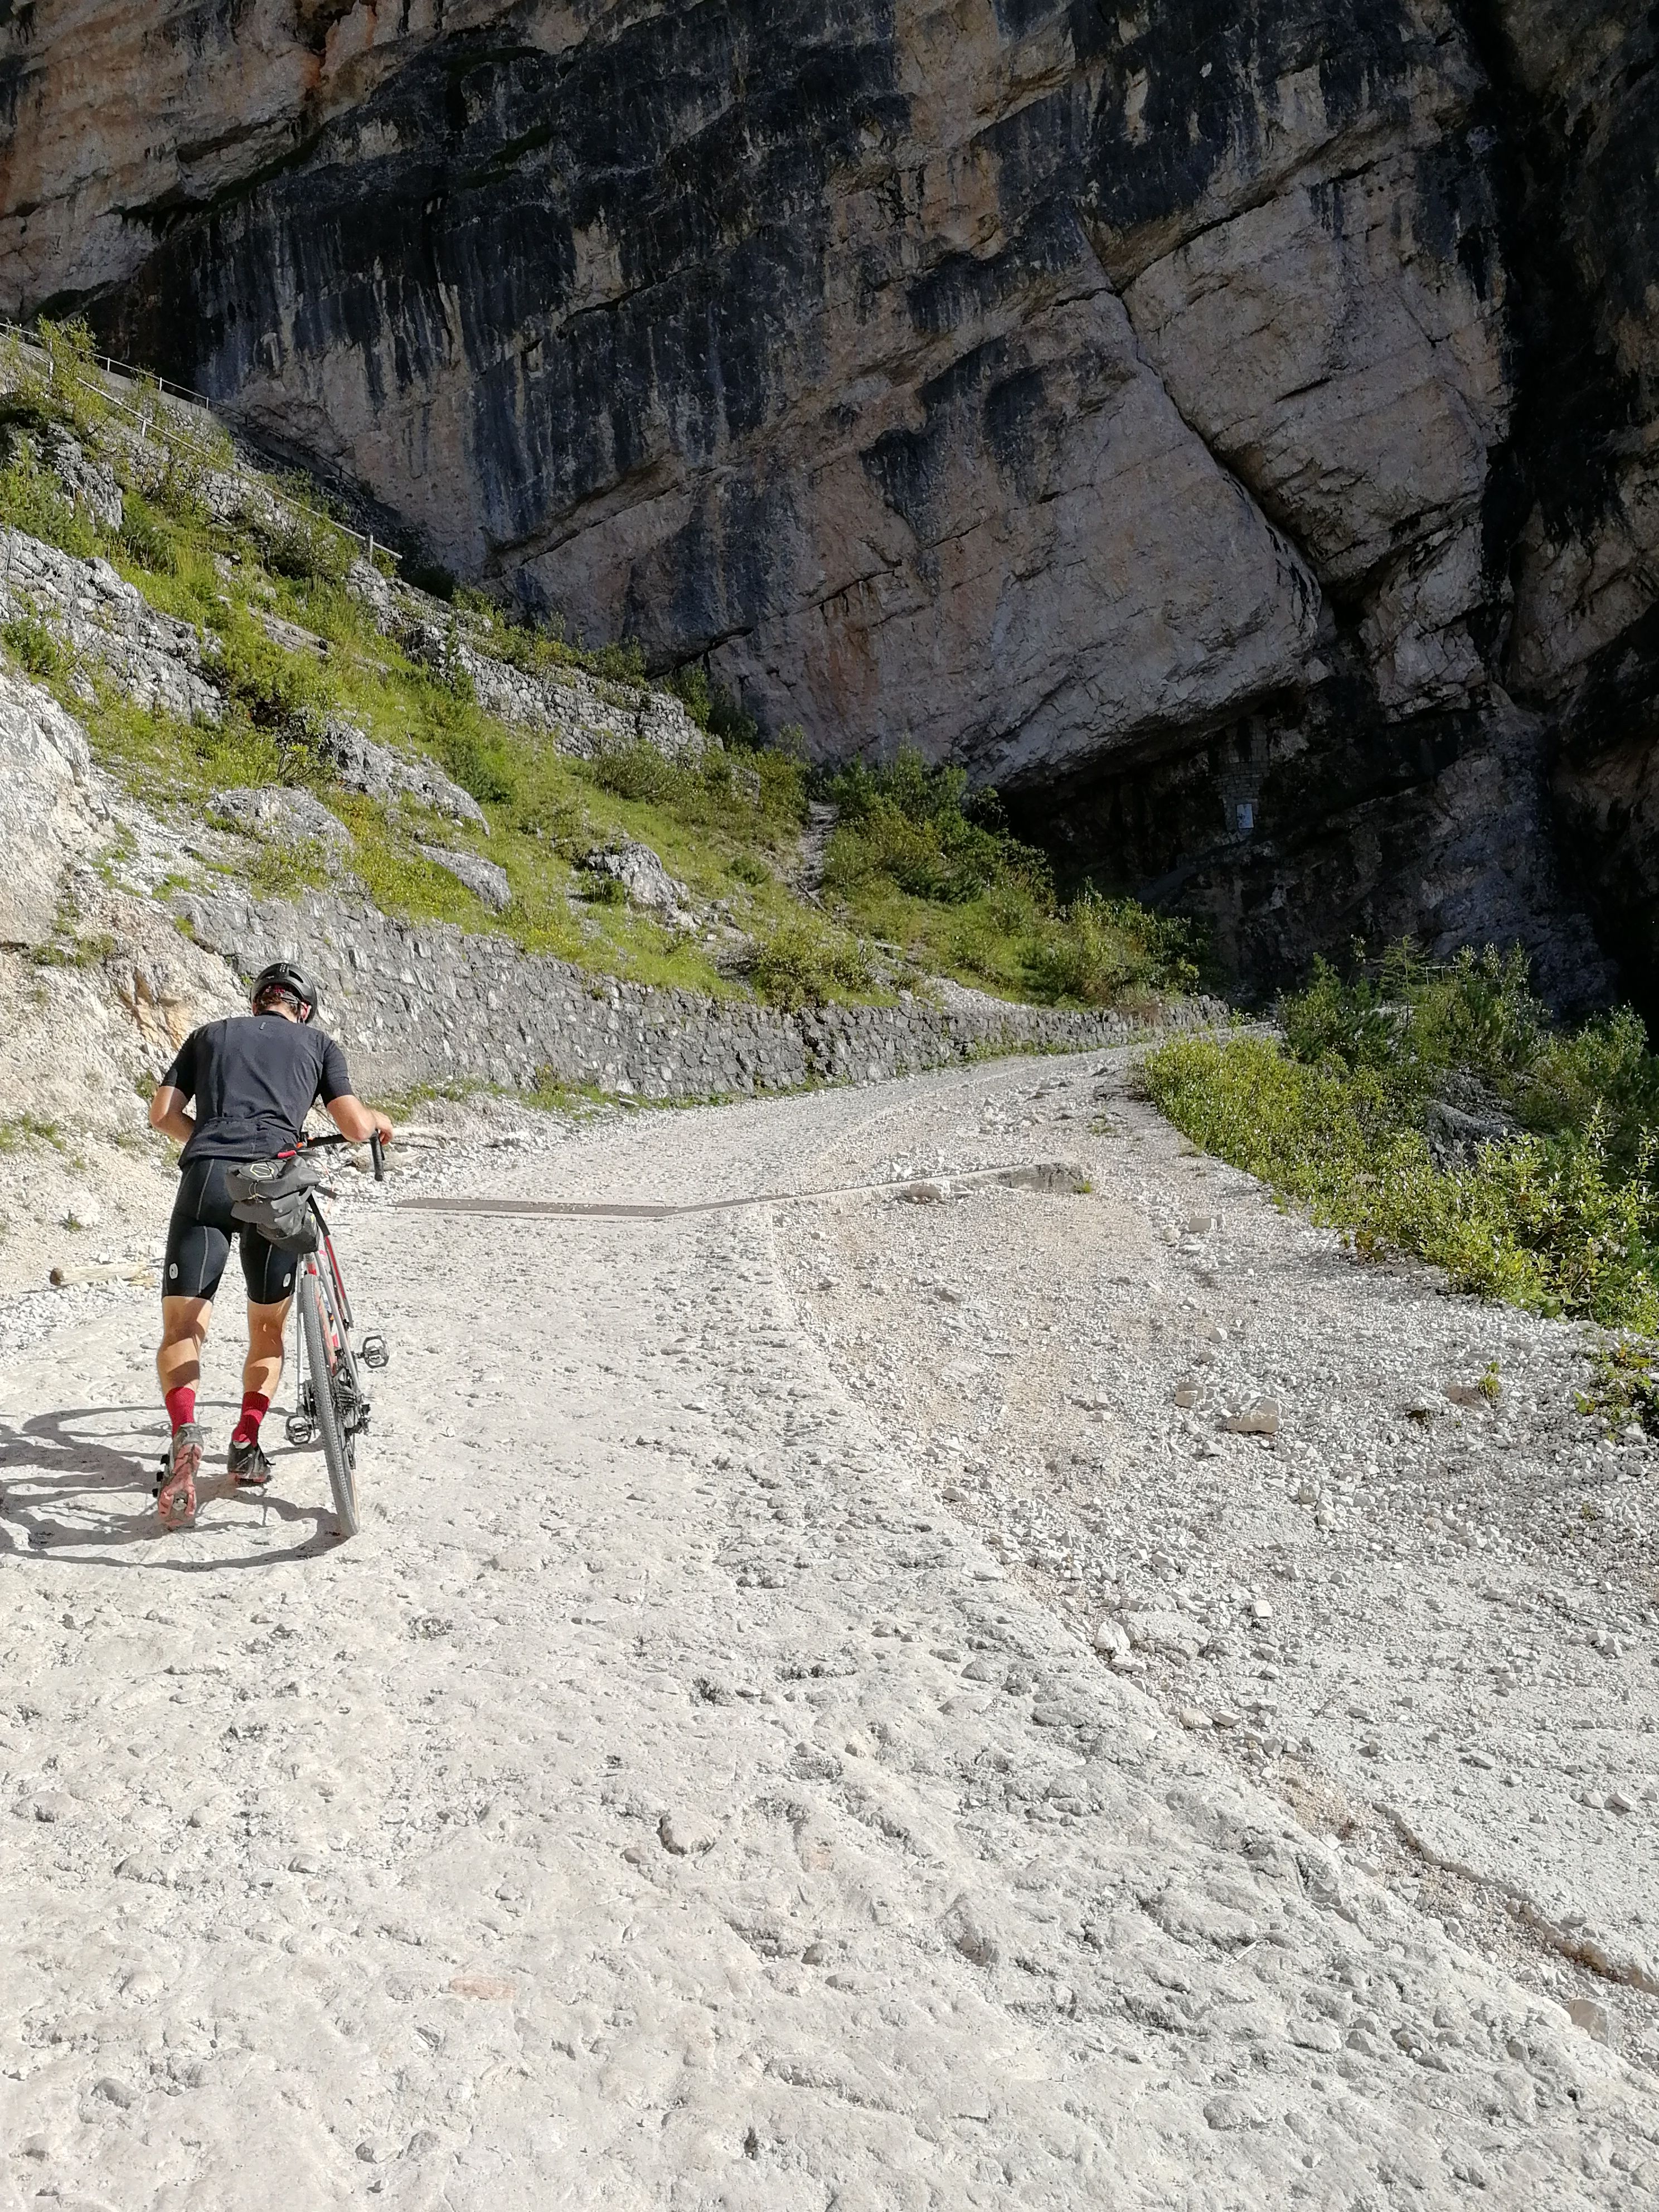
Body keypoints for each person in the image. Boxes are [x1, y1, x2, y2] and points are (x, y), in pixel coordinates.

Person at [147, 959, 393, 1530]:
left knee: (183, 1329)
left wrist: (209, 1141)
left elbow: (162, 1114)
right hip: (276, 1180)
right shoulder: (317, 1042)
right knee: (266, 1329)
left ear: (257, 1001)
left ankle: (185, 1429)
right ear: (302, 1007)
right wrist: (382, 1121)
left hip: (207, 1176)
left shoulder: (208, 1034)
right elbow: (355, 1125)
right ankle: (245, 1439)